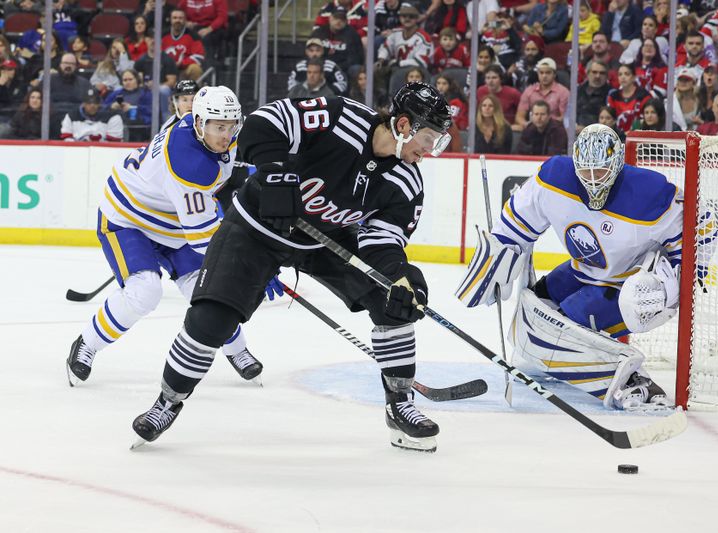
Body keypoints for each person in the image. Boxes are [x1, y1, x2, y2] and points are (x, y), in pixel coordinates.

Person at [130, 82, 452, 453]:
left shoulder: (406, 181)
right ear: (403, 125)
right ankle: (167, 402)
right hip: (256, 227)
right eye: (428, 138)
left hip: (323, 240)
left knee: (392, 300)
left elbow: (381, 241)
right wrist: (275, 173)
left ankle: (401, 405)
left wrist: (399, 275)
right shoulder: (340, 117)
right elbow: (263, 123)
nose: (430, 150)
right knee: (211, 318)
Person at [455, 124, 701, 410]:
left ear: (617, 165)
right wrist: (499, 252)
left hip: (625, 284)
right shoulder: (554, 178)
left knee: (566, 324)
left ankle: (633, 380)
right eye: (586, 172)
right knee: (536, 306)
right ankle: (548, 359)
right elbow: (517, 220)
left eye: (601, 172)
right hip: (581, 270)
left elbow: (701, 227)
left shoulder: (648, 192)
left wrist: (670, 287)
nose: (593, 181)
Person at [66, 86, 270, 388]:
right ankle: (87, 344)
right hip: (129, 220)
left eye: (231, 126)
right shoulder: (189, 164)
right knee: (144, 291)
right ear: (199, 123)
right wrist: (252, 262)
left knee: (210, 291)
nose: (226, 135)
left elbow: (235, 170)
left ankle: (237, 350)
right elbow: (205, 242)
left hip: (175, 223)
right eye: (219, 127)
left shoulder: (212, 133)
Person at [515, 57, 569, 130]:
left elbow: (565, 118)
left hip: (554, 130)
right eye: (541, 73)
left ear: (554, 74)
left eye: (548, 73)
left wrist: (544, 124)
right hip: (533, 129)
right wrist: (527, 125)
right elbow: (519, 117)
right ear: (538, 74)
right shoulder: (529, 91)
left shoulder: (563, 92)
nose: (544, 76)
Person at [60, 88, 124, 142]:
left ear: (99, 103)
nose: (92, 105)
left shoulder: (112, 116)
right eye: (89, 102)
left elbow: (114, 143)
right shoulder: (71, 116)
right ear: (83, 104)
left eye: (95, 102)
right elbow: (66, 139)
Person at [162, 8, 205, 81]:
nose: (177, 20)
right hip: (165, 70)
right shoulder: (162, 35)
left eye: (180, 18)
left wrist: (181, 63)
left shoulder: (193, 36)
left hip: (184, 70)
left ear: (185, 20)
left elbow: (199, 57)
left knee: (195, 69)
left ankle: (192, 92)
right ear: (170, 20)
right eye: (175, 18)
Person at [606, 63, 651, 133]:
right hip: (617, 135)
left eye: (626, 74)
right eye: (620, 74)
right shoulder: (613, 96)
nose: (623, 77)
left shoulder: (644, 95)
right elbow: (609, 118)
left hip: (638, 134)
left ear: (634, 77)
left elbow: (647, 119)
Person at [576, 59, 611, 129]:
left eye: (602, 73)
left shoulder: (611, 94)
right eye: (594, 72)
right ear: (587, 73)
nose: (598, 76)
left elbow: (609, 121)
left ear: (607, 76)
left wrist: (586, 129)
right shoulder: (577, 90)